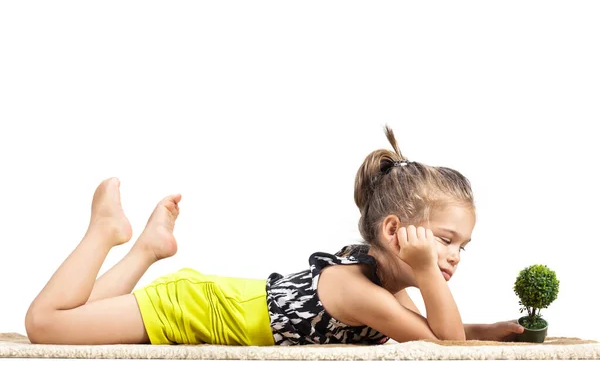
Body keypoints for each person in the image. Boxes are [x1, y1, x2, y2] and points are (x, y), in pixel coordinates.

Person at [24, 125, 524, 346]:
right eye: (445, 238)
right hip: (191, 309)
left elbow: (439, 332)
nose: (455, 255)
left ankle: (149, 251)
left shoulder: (387, 288)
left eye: (461, 246)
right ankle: (107, 232)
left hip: (206, 299)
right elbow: (444, 346)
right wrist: (426, 276)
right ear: (395, 231)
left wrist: (490, 331)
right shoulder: (356, 289)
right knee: (46, 325)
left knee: (77, 313)